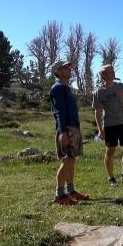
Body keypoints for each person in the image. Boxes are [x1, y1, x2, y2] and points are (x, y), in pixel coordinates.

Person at [49, 60, 90, 205]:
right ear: (58, 72)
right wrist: (62, 132)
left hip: (73, 128)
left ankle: (71, 191)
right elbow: (59, 112)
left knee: (71, 160)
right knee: (66, 160)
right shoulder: (57, 88)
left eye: (69, 66)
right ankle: (60, 196)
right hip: (66, 129)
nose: (69, 69)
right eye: (66, 67)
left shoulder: (66, 88)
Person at [92, 64, 123, 186]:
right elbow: (98, 112)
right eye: (110, 71)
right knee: (110, 151)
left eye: (113, 70)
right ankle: (111, 178)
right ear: (103, 75)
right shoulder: (99, 92)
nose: (113, 72)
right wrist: (100, 129)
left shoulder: (121, 87)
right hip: (110, 125)